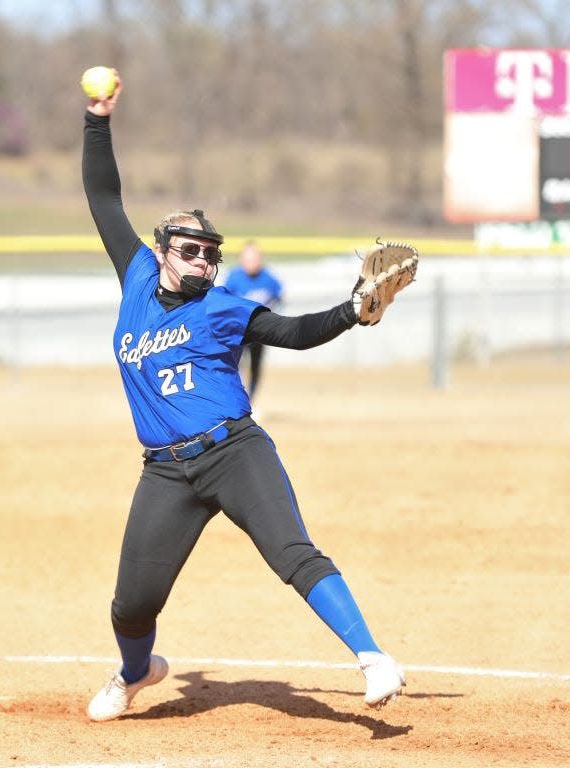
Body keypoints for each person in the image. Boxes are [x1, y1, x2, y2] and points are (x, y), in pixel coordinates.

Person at [81, 70, 406, 722]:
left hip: (235, 451)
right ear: (161, 252)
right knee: (131, 603)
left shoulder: (224, 307)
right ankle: (135, 671)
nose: (202, 260)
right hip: (165, 471)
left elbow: (292, 331)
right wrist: (98, 119)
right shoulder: (138, 278)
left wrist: (352, 310)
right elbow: (103, 196)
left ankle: (374, 658)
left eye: (210, 253)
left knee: (293, 553)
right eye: (191, 250)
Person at [224, 242, 283, 402]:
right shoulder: (234, 277)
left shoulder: (268, 278)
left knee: (256, 366)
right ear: (241, 260)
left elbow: (278, 297)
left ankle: (251, 400)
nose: (252, 262)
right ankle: (237, 398)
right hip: (237, 331)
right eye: (248, 258)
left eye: (255, 258)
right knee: (235, 365)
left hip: (259, 331)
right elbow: (225, 300)